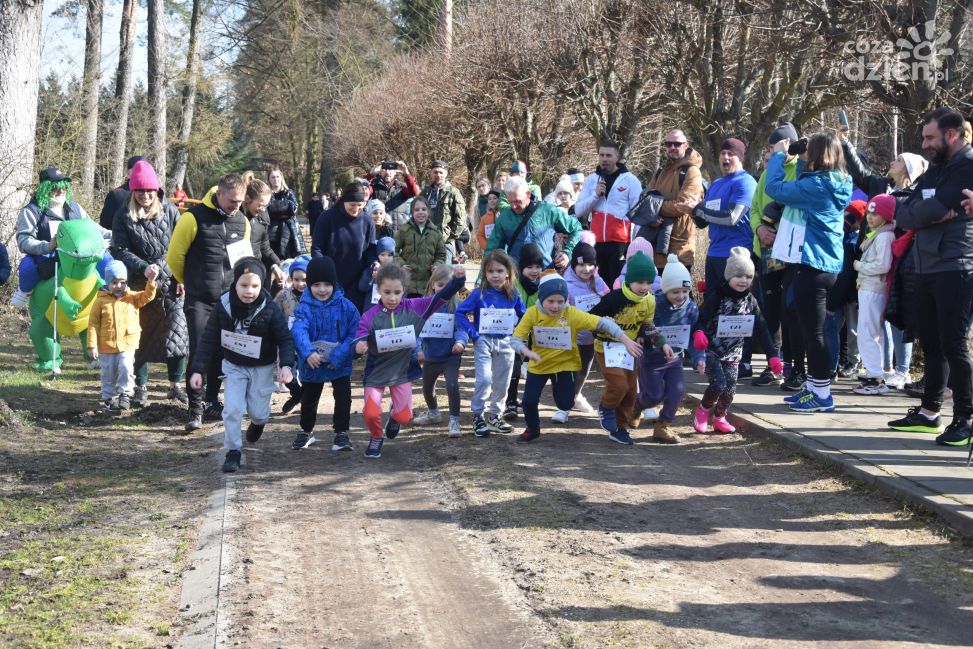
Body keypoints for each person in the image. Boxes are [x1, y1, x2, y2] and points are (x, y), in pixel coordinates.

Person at [888, 108, 973, 447]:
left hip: (956, 266)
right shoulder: (937, 170)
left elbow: (936, 208)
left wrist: (927, 212)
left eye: (930, 138)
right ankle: (929, 412)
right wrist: (926, 213)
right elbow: (903, 211)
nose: (924, 144)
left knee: (953, 344)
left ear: (952, 135)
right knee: (932, 343)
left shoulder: (967, 167)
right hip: (926, 266)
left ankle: (965, 419)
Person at [766, 132, 852, 412]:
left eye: (808, 152)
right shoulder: (834, 182)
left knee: (814, 333)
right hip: (824, 266)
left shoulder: (816, 187)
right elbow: (803, 183)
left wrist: (780, 155)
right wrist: (803, 157)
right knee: (811, 330)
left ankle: (822, 396)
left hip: (812, 265)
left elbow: (776, 188)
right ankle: (815, 388)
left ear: (817, 156)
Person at [189, 257, 295, 473]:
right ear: (234, 284)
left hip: (261, 367)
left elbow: (284, 339)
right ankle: (233, 451)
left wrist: (286, 365)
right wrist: (198, 369)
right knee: (232, 409)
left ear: (262, 285)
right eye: (244, 285)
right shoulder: (223, 306)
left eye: (255, 286)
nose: (249, 291)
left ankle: (258, 423)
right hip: (233, 365)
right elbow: (208, 339)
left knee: (258, 413)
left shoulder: (270, 308)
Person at [514, 271, 643, 443]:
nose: (555, 306)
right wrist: (526, 352)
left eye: (560, 301)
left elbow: (602, 323)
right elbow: (515, 339)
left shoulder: (571, 314)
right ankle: (532, 428)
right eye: (550, 301)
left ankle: (559, 386)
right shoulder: (532, 313)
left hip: (565, 365)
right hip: (539, 364)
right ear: (541, 298)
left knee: (565, 404)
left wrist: (625, 339)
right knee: (528, 401)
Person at [353, 263, 466, 458]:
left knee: (405, 416)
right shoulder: (369, 316)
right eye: (386, 292)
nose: (392, 297)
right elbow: (358, 337)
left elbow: (441, 297)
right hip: (376, 372)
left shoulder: (416, 307)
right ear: (378, 289)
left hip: (402, 372)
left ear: (404, 290)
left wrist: (458, 280)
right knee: (371, 413)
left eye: (397, 292)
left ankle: (395, 419)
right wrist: (359, 345)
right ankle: (376, 437)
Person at [167, 173, 251, 431]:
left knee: (223, 351)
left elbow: (244, 260)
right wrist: (191, 283)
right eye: (232, 201)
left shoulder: (242, 222)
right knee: (201, 350)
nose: (236, 206)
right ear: (220, 193)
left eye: (240, 202)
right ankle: (194, 408)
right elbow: (174, 257)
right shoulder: (192, 218)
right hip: (199, 299)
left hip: (229, 299)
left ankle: (212, 401)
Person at [110, 160, 189, 407]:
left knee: (178, 331)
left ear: (157, 191)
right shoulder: (122, 215)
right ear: (133, 191)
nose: (145, 195)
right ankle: (140, 387)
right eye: (140, 191)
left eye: (149, 191)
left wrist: (180, 276)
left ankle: (176, 385)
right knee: (139, 335)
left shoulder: (170, 211)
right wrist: (143, 268)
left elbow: (181, 245)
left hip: (172, 280)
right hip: (139, 284)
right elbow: (120, 249)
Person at [693, 247, 782, 431]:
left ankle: (720, 417)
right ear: (728, 276)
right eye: (739, 276)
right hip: (712, 350)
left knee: (730, 390)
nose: (744, 281)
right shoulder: (717, 296)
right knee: (718, 384)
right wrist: (699, 333)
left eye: (748, 277)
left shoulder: (750, 301)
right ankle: (703, 410)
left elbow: (762, 328)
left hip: (734, 353)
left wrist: (772, 355)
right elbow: (700, 319)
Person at [589, 252, 666, 444]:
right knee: (619, 384)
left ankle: (619, 428)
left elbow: (647, 325)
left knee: (631, 391)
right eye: (640, 282)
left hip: (629, 349)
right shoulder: (613, 299)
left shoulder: (649, 300)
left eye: (648, 282)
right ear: (630, 280)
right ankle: (606, 408)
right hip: (606, 347)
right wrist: (601, 323)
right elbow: (591, 319)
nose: (644, 287)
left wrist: (658, 342)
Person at [290, 255, 360, 452]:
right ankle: (305, 431)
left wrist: (339, 356)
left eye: (327, 284)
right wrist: (307, 352)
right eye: (317, 284)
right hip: (312, 362)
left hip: (339, 362)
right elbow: (298, 331)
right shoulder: (303, 308)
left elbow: (354, 332)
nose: (322, 289)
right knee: (310, 397)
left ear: (334, 283)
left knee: (344, 397)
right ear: (309, 285)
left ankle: (341, 434)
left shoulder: (347, 307)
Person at [751, 123, 801, 388]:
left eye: (777, 147)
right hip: (766, 251)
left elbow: (793, 207)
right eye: (770, 149)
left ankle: (792, 365)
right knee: (770, 312)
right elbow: (755, 208)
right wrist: (760, 228)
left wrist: (776, 230)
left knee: (790, 310)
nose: (772, 154)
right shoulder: (766, 174)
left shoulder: (801, 170)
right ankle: (773, 364)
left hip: (791, 253)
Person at [637, 254, 705, 444]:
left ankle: (663, 426)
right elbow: (644, 325)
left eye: (685, 291)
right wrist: (646, 338)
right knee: (654, 395)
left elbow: (693, 333)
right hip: (652, 359)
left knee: (677, 392)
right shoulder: (655, 304)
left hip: (675, 359)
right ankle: (635, 406)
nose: (681, 296)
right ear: (665, 290)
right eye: (675, 292)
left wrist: (699, 356)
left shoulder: (690, 307)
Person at [457, 250, 526, 437]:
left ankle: (495, 416)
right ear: (485, 273)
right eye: (490, 271)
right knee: (484, 379)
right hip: (484, 341)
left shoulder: (514, 295)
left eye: (499, 270)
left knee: (503, 381)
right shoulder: (479, 294)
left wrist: (516, 334)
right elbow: (460, 312)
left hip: (505, 343)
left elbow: (524, 316)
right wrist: (474, 334)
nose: (495, 275)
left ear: (508, 273)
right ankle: (477, 416)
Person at [14, 167, 101, 305]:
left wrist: (113, 236)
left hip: (76, 256)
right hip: (47, 256)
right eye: (55, 187)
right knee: (27, 266)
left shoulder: (75, 207)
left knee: (106, 259)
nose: (61, 191)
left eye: (64, 187)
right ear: (44, 188)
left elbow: (93, 228)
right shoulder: (31, 211)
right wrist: (48, 246)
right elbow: (24, 241)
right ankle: (24, 292)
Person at [689, 138, 757, 309]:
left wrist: (700, 211)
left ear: (740, 158)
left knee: (735, 308)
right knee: (712, 307)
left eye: (731, 154)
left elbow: (732, 218)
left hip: (737, 255)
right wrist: (691, 210)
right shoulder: (716, 184)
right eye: (722, 153)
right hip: (713, 254)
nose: (725, 157)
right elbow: (704, 222)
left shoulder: (745, 182)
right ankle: (710, 337)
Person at [87, 261, 159, 410]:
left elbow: (147, 296)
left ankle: (125, 394)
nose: (118, 286)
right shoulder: (100, 301)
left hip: (127, 343)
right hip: (107, 345)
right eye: (114, 282)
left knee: (126, 367)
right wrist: (92, 345)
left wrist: (151, 282)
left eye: (122, 282)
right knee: (108, 373)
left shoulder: (132, 297)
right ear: (107, 283)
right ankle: (109, 398)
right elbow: (93, 324)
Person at [573, 139, 643, 286]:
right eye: (601, 155)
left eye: (608, 155)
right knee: (598, 285)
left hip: (620, 243)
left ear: (617, 157)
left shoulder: (630, 180)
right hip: (596, 243)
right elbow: (579, 211)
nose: (604, 159)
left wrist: (636, 242)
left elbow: (639, 214)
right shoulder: (592, 180)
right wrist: (595, 195)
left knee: (617, 284)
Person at [412, 264, 469, 437]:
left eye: (449, 284)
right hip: (430, 356)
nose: (445, 289)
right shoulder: (425, 306)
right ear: (432, 285)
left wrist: (460, 342)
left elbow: (462, 328)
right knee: (427, 388)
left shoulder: (457, 306)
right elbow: (417, 330)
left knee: (452, 385)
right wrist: (418, 349)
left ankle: (454, 420)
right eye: (441, 285)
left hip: (451, 356)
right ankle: (434, 412)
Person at [485, 176, 581, 270]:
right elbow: (491, 251)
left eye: (518, 201)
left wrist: (567, 252)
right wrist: (482, 278)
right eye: (510, 202)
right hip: (517, 278)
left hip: (545, 274)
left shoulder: (547, 211)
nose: (514, 206)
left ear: (528, 194)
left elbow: (576, 228)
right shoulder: (504, 218)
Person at [852, 195, 896, 395]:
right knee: (870, 332)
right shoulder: (879, 234)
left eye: (876, 213)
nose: (870, 217)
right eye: (869, 212)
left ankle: (875, 377)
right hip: (869, 287)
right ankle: (874, 373)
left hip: (873, 288)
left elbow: (883, 265)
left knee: (868, 332)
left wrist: (860, 265)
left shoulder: (884, 236)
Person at [311, 181, 376, 311]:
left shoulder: (367, 221)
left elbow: (371, 250)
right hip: (331, 279)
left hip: (356, 282)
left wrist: (373, 264)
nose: (356, 209)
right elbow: (317, 248)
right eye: (352, 205)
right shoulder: (327, 217)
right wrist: (323, 272)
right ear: (344, 201)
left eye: (360, 205)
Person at [647, 130, 705, 272]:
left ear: (686, 145)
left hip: (680, 250)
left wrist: (655, 207)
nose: (672, 147)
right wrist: (653, 212)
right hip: (656, 247)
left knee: (680, 294)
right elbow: (645, 199)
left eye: (677, 144)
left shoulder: (692, 171)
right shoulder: (661, 171)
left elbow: (682, 206)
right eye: (668, 144)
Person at [563, 242, 609, 417]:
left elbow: (608, 300)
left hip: (591, 337)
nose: (586, 269)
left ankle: (576, 395)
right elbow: (561, 308)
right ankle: (564, 405)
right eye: (581, 264)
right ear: (574, 265)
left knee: (584, 369)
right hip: (572, 337)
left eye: (590, 264)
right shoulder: (566, 284)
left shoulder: (598, 282)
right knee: (568, 370)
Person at [503, 244, 544, 422]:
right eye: (529, 267)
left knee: (535, 367)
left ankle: (528, 400)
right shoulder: (513, 285)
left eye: (537, 266)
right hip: (517, 332)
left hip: (537, 332)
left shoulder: (544, 285)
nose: (534, 271)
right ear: (521, 268)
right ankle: (510, 401)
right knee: (516, 366)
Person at [274, 254, 309, 414]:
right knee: (285, 372)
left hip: (307, 341)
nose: (300, 283)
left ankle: (305, 398)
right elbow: (274, 314)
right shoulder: (283, 295)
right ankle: (297, 393)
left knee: (308, 372)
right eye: (296, 279)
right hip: (287, 340)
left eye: (304, 279)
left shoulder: (314, 297)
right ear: (291, 278)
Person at [241, 172, 286, 291]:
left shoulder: (262, 217)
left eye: (265, 206)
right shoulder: (236, 217)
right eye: (260, 205)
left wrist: (275, 265)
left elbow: (265, 247)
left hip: (257, 272)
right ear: (247, 199)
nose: (262, 209)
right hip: (239, 276)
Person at [395, 196, 445, 297]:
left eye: (424, 209)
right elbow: (393, 251)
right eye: (416, 210)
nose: (420, 212)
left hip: (427, 284)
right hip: (407, 284)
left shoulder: (436, 233)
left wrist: (437, 265)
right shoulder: (404, 230)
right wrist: (401, 264)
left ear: (429, 212)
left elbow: (441, 255)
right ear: (412, 212)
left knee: (424, 311)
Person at [420, 160, 467, 264]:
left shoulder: (453, 192)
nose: (438, 175)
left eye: (441, 172)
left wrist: (451, 236)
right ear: (431, 173)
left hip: (445, 243)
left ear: (446, 173)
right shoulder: (425, 192)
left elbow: (461, 218)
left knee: (443, 275)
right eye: (435, 172)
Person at [369, 160, 420, 229]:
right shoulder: (373, 186)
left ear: (395, 172)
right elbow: (360, 193)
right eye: (384, 169)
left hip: (399, 232)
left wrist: (406, 174)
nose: (387, 172)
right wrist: (370, 175)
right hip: (379, 231)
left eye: (390, 169)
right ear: (379, 172)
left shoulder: (402, 187)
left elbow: (414, 192)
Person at [265, 168, 304, 260]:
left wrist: (276, 210)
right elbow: (267, 210)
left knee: (289, 261)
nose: (276, 179)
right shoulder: (266, 194)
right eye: (273, 177)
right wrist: (284, 209)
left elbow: (293, 209)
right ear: (269, 179)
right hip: (272, 232)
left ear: (281, 178)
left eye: (278, 176)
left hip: (289, 231)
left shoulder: (289, 192)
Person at [99, 155, 146, 230]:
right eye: (136, 170)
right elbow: (105, 227)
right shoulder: (115, 195)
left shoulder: (154, 196)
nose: (140, 173)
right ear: (128, 174)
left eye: (144, 170)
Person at [358, 236, 397, 307]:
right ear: (377, 255)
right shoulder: (372, 269)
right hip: (371, 310)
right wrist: (372, 278)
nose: (386, 258)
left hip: (389, 309)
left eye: (389, 255)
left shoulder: (396, 272)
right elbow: (362, 287)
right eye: (382, 255)